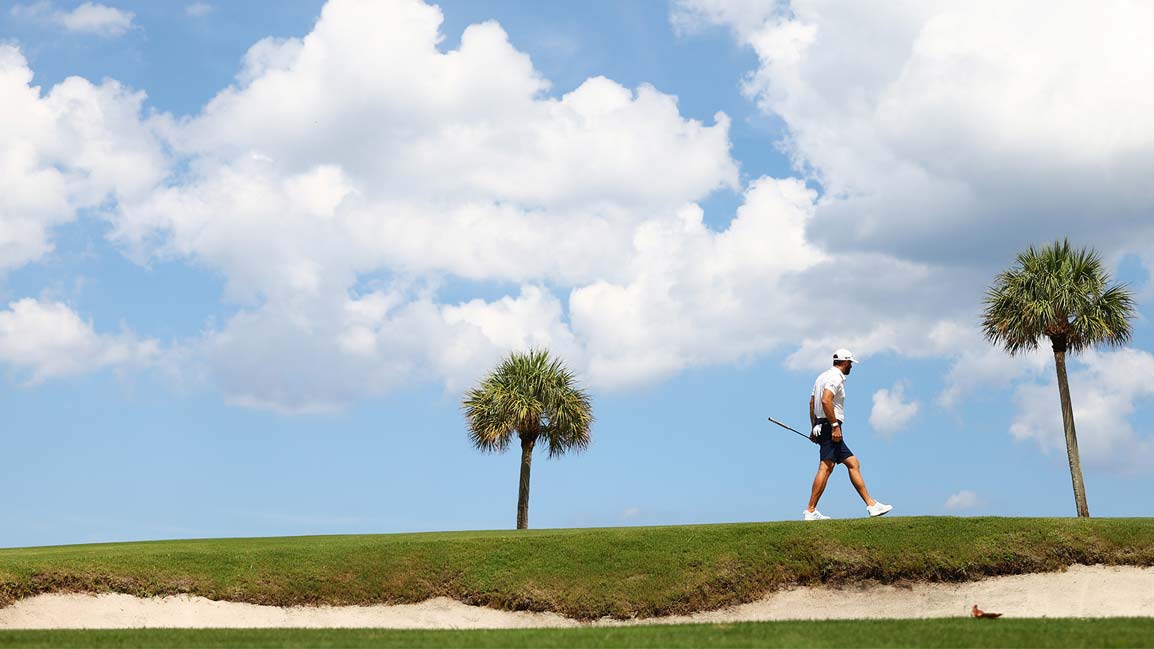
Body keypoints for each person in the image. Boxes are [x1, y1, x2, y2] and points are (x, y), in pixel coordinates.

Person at [803, 348, 893, 521]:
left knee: (852, 463)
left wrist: (814, 427)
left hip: (822, 425)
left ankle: (871, 504)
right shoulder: (835, 377)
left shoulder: (821, 377)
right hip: (831, 426)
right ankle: (810, 510)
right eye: (850, 362)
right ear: (844, 362)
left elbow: (812, 403)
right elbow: (825, 400)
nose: (851, 365)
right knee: (826, 467)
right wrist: (835, 426)